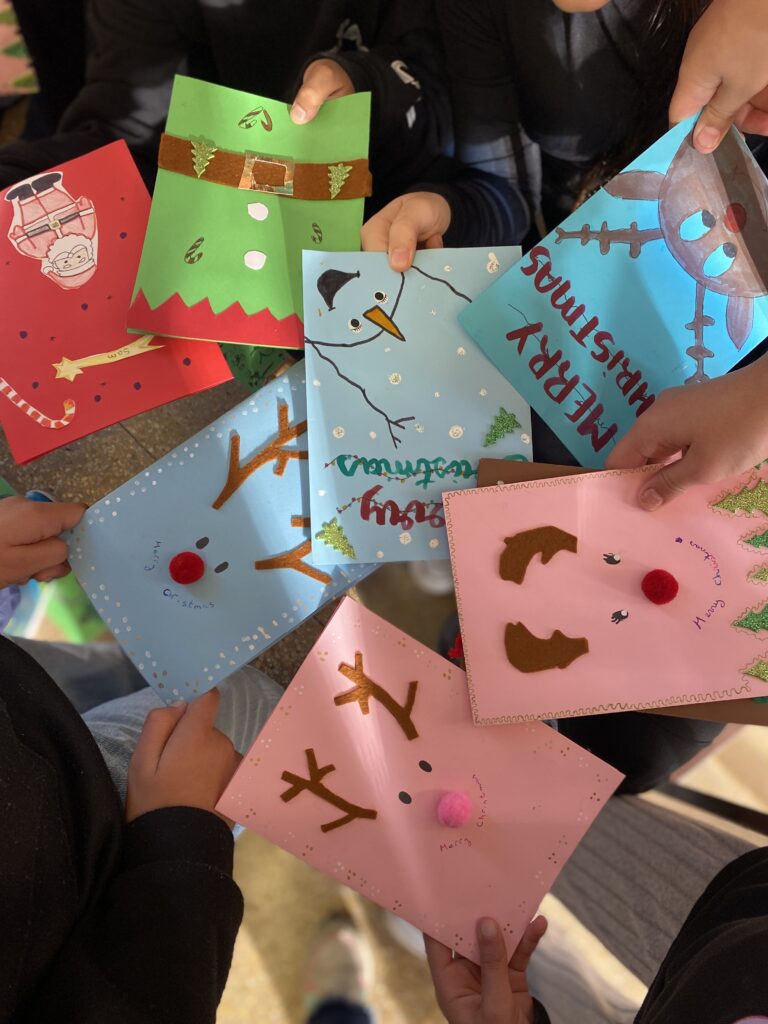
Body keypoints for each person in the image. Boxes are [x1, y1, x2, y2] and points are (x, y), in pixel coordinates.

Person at [362, 0, 768, 508]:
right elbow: (503, 187)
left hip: (733, 391)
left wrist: (760, 402)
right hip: (572, 347)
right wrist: (446, 208)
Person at [0, 493, 283, 1022]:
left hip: (17, 705)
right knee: (241, 698)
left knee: (102, 674)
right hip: (76, 846)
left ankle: (140, 670)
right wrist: (180, 830)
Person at [0, 0, 451, 214]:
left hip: (393, 204)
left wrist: (369, 84)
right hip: (216, 214)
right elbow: (125, 134)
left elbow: (459, 135)